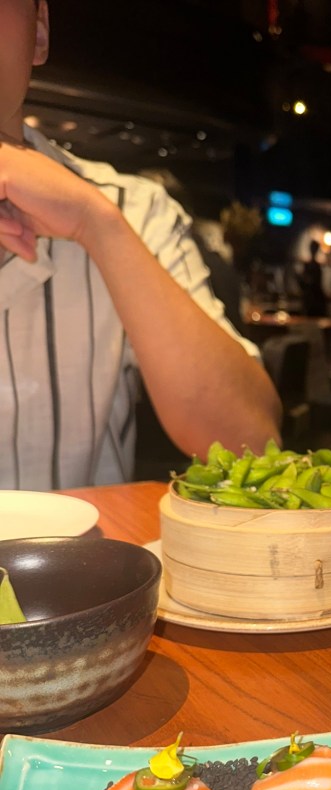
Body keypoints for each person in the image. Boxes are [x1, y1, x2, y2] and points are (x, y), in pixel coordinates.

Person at [0, 0, 282, 491]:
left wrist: (95, 224)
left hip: (91, 544)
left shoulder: (133, 210)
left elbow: (252, 441)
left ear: (38, 30)